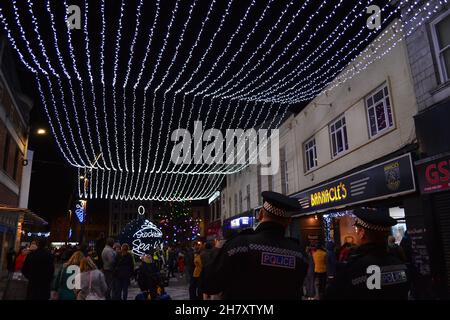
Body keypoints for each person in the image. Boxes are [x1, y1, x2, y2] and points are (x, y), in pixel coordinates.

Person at [203, 191, 308, 300]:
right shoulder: (299, 255)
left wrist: (217, 250)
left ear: (261, 214)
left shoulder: (239, 246)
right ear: (288, 221)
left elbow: (208, 284)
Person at [326, 208, 409, 300]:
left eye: (357, 229)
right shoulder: (400, 265)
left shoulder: (353, 269)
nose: (356, 233)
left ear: (362, 233)